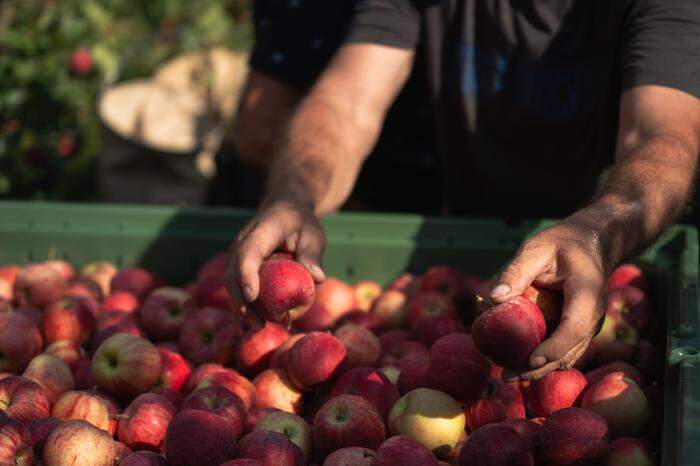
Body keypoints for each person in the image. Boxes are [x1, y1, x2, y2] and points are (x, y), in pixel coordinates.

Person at [227, 0, 700, 380]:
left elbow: (662, 136)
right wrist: (294, 193)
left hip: (582, 274)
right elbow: (348, 103)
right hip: (465, 261)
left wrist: (596, 233)